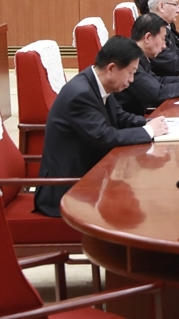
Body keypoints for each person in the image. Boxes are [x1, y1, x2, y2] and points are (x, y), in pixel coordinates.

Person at [34, 36, 169, 217]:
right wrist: (149, 131)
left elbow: (119, 116)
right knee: (138, 201)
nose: (131, 80)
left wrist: (151, 123)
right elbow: (104, 137)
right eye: (130, 73)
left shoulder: (97, 83)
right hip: (67, 188)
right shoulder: (80, 94)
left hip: (91, 175)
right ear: (111, 68)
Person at [114, 13, 179, 116]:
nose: (164, 46)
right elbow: (156, 93)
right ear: (148, 37)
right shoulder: (129, 59)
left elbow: (157, 81)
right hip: (129, 120)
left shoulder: (138, 54)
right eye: (163, 39)